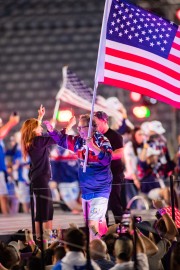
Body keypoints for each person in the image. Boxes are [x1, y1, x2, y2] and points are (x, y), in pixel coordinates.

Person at [44, 114, 112, 240]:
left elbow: (107, 159)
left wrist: (93, 148)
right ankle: (106, 241)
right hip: (86, 191)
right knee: (91, 224)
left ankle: (96, 252)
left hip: (100, 190)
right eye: (78, 127)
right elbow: (62, 140)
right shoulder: (78, 141)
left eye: (81, 127)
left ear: (91, 127)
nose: (79, 130)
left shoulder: (102, 140)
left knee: (92, 224)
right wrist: (51, 130)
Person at [21, 105, 59, 239]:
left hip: (38, 178)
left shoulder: (33, 141)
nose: (41, 128)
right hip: (41, 178)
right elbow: (56, 138)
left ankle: (40, 237)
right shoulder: (38, 141)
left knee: (43, 208)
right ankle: (45, 238)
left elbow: (41, 133)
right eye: (39, 126)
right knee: (46, 209)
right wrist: (69, 126)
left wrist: (40, 117)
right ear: (33, 130)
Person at [93, 111, 125, 224]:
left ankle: (122, 230)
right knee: (101, 207)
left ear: (104, 121)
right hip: (100, 175)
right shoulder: (94, 137)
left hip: (114, 174)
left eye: (96, 123)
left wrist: (102, 156)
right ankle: (104, 232)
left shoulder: (115, 136)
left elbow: (119, 153)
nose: (94, 126)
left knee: (115, 204)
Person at [0, 114, 19, 214]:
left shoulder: (1, 141)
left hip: (2, 170)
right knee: (3, 196)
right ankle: (6, 217)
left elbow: (7, 153)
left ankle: (7, 216)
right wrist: (11, 122)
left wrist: (17, 144)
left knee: (4, 196)